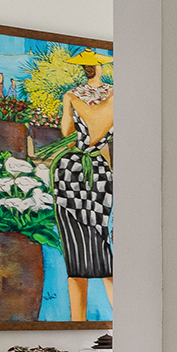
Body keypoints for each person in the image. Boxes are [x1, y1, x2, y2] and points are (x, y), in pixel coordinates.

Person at [52, 57, 116, 321]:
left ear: (83, 70)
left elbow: (66, 130)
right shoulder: (115, 95)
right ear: (100, 68)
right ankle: (122, 320)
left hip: (70, 171)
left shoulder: (71, 95)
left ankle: (78, 321)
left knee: (75, 241)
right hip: (100, 170)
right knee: (101, 237)